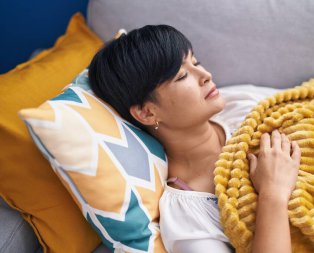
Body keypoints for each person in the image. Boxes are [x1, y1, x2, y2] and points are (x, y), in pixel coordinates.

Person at [88, 24, 301, 253]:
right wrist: (272, 193)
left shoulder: (239, 103)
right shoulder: (186, 215)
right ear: (147, 113)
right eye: (182, 76)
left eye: (196, 62)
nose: (206, 75)